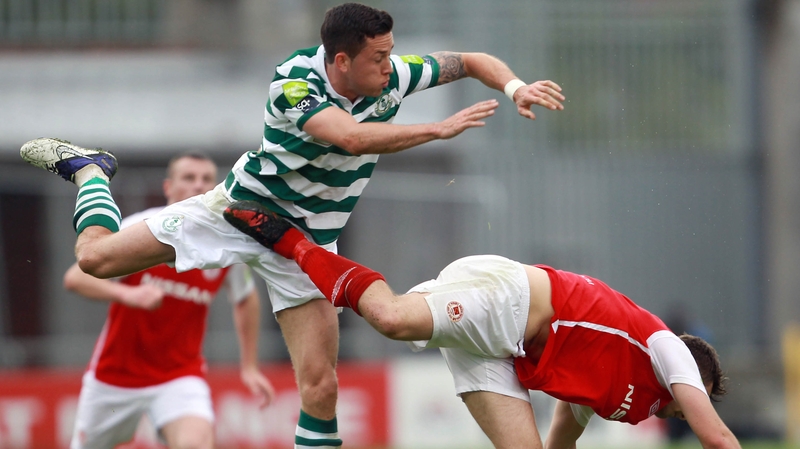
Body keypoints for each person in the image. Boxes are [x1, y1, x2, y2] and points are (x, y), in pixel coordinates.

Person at [19, 3, 564, 447]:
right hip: (236, 214)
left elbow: (468, 60)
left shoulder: (392, 76)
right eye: (378, 57)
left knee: (321, 387)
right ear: (342, 61)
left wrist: (514, 87)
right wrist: (437, 129)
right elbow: (348, 136)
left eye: (391, 53)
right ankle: (91, 170)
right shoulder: (294, 83)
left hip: (303, 246)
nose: (390, 65)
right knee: (95, 260)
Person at [221, 200, 742, 449]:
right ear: (689, 377)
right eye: (697, 393)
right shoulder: (662, 346)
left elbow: (563, 433)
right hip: (507, 298)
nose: (688, 405)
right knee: (389, 318)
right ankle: (293, 242)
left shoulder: (619, 393)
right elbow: (717, 438)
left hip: (501, 350)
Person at [63, 154, 275, 449]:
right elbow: (76, 278)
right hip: (115, 376)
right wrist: (128, 294)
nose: (198, 185)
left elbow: (246, 298)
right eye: (189, 178)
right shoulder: (142, 226)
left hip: (179, 375)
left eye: (206, 179)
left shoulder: (227, 241)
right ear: (168, 187)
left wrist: (249, 366)